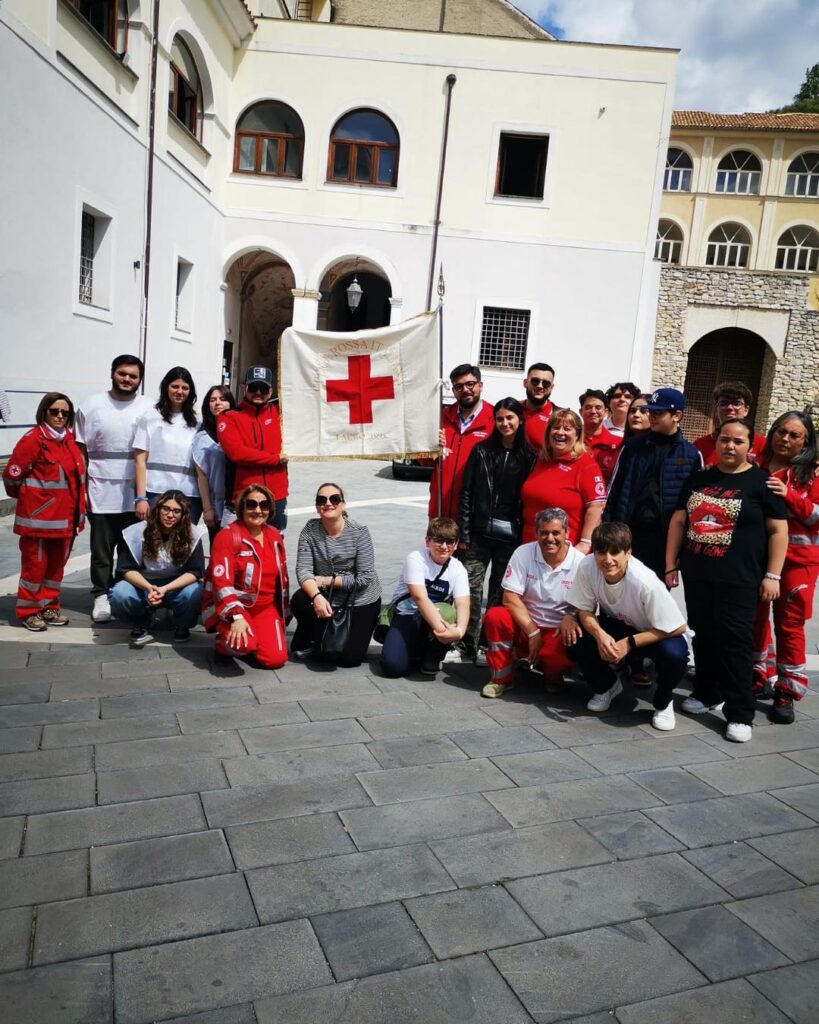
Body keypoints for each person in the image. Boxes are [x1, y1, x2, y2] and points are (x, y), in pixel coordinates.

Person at [666, 418, 788, 743]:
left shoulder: (763, 483)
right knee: (703, 635)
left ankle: (739, 712)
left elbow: (778, 531)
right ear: (716, 442)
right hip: (699, 573)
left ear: (750, 447)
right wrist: (670, 564)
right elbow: (679, 522)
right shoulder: (699, 479)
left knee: (735, 642)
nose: (729, 446)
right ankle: (707, 692)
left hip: (740, 579)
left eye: (737, 441)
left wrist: (772, 575)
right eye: (724, 440)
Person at [568, 522, 689, 731]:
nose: (608, 560)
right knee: (574, 635)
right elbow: (584, 610)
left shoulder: (645, 582)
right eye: (601, 552)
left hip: (656, 632)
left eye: (616, 552)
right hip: (619, 623)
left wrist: (630, 643)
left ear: (628, 552)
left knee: (675, 654)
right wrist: (600, 636)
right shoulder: (587, 566)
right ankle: (607, 686)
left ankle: (663, 701)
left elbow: (678, 627)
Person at [453, 397, 537, 665]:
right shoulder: (481, 451)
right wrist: (464, 532)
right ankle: (465, 642)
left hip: (510, 538)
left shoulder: (530, 456)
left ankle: (486, 644)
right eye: (500, 419)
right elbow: (466, 493)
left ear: (520, 420)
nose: (505, 423)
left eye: (510, 418)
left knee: (501, 593)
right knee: (470, 588)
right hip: (478, 534)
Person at [752, 411, 819, 724]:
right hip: (756, 557)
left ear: (806, 441)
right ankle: (756, 674)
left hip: (798, 563)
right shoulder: (755, 465)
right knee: (754, 618)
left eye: (794, 435)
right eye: (781, 431)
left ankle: (787, 691)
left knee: (790, 625)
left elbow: (816, 517)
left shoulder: (813, 474)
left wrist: (790, 496)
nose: (785, 439)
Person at [75, 354, 153, 623]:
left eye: (133, 376)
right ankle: (100, 594)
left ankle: (125, 592)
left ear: (140, 380)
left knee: (133, 549)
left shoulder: (149, 407)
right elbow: (80, 452)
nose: (127, 379)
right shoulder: (91, 405)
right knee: (102, 549)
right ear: (112, 373)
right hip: (100, 489)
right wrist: (82, 490)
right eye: (122, 373)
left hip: (136, 492)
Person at [3, 393, 87, 631]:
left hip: (65, 521)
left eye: (65, 412)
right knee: (34, 567)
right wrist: (33, 501)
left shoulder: (68, 439)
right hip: (39, 521)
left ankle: (49, 604)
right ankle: (29, 610)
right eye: (54, 411)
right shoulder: (33, 439)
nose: (60, 416)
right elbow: (12, 475)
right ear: (44, 412)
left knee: (56, 567)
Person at [482, 508, 584, 698]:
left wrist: (572, 616)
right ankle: (500, 678)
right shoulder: (523, 553)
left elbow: (588, 604)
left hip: (557, 629)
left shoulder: (580, 562)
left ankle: (553, 675)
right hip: (527, 625)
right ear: (536, 533)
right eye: (544, 532)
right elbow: (510, 597)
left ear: (567, 533)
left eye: (556, 533)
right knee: (496, 616)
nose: (550, 538)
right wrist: (533, 632)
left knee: (554, 661)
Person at [605, 387, 702, 580]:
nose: (653, 416)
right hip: (628, 535)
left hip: (664, 542)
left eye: (659, 412)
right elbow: (614, 490)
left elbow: (694, 507)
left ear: (677, 415)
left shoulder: (691, 455)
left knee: (652, 602)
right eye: (651, 411)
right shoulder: (633, 447)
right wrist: (609, 530)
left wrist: (679, 553)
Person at [291, 483, 382, 667]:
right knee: (300, 599)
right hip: (327, 595)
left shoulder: (359, 532)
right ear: (317, 506)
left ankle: (330, 636)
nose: (328, 503)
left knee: (350, 659)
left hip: (360, 598)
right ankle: (314, 638)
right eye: (321, 500)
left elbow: (364, 578)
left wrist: (325, 580)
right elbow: (303, 570)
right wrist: (316, 596)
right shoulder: (309, 530)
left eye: (334, 499)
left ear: (343, 504)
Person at [202, 484, 290, 669]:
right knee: (244, 644)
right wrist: (236, 616)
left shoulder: (275, 536)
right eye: (251, 504)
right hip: (234, 607)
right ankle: (223, 644)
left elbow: (282, 580)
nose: (258, 510)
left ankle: (255, 635)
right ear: (241, 507)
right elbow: (221, 582)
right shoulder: (227, 536)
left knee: (275, 660)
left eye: (264, 505)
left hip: (265, 608)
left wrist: (284, 613)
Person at [110, 490, 206, 647]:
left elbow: (196, 571)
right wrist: (149, 587)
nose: (170, 515)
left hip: (175, 585)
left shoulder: (193, 533)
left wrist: (165, 589)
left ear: (183, 514)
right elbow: (125, 569)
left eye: (176, 511)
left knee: (195, 592)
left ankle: (181, 623)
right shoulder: (137, 532)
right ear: (158, 509)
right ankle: (141, 621)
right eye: (166, 509)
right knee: (119, 593)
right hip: (144, 584)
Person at [380, 517, 470, 678]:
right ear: (427, 541)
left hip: (435, 619)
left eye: (450, 542)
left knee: (448, 611)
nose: (444, 546)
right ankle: (415, 650)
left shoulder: (458, 569)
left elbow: (463, 602)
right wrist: (445, 631)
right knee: (392, 667)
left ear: (456, 544)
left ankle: (433, 655)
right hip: (407, 614)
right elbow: (419, 597)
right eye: (438, 540)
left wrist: (459, 632)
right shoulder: (416, 559)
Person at [520, 409, 606, 551]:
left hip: (564, 553)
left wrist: (585, 544)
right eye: (555, 427)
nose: (560, 432)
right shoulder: (540, 460)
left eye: (567, 429)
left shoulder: (586, 465)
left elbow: (596, 508)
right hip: (530, 549)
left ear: (577, 435)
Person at [217, 366, 288, 532]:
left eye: (263, 388)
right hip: (243, 497)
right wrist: (275, 459)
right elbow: (237, 453)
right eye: (253, 387)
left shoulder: (280, 415)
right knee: (236, 551)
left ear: (270, 391)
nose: (258, 392)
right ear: (244, 388)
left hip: (276, 496)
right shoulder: (229, 416)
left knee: (274, 550)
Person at [133, 367, 201, 522]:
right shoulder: (149, 417)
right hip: (155, 492)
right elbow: (140, 460)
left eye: (185, 388)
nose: (180, 391)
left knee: (184, 543)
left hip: (189, 494)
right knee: (154, 543)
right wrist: (141, 497)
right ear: (166, 387)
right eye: (175, 386)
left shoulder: (197, 421)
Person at [428, 364, 494, 519]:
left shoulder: (495, 420)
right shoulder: (440, 418)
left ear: (480, 385)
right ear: (453, 391)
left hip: (474, 517)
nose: (465, 390)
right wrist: (430, 447)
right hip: (440, 512)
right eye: (459, 386)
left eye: (470, 384)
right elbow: (425, 462)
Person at [193, 385, 237, 542]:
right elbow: (201, 476)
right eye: (213, 400)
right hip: (217, 505)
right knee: (219, 549)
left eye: (222, 399)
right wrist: (207, 509)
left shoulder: (240, 430)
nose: (217, 403)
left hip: (239, 503)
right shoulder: (202, 437)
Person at [693, 381, 766, 466]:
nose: (730, 407)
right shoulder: (700, 445)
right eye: (724, 403)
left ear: (746, 410)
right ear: (717, 409)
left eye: (736, 403)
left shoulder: (762, 445)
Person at [580, 388, 622, 486]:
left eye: (598, 408)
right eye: (588, 407)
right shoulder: (571, 440)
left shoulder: (618, 444)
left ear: (606, 412)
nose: (593, 411)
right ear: (581, 411)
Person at [521, 362, 557, 452]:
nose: (540, 386)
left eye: (546, 383)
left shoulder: (558, 416)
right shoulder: (512, 409)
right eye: (535, 381)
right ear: (525, 383)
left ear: (551, 387)